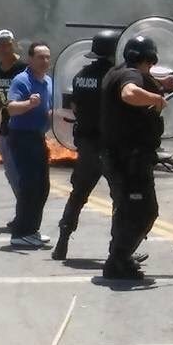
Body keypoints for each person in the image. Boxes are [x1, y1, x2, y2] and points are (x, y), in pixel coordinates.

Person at [100, 35, 168, 279]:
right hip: (130, 160)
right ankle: (118, 259)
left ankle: (119, 256)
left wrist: (161, 83)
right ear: (148, 58)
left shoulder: (116, 72)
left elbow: (131, 83)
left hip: (118, 156)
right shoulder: (132, 77)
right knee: (144, 211)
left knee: (126, 209)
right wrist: (156, 99)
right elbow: (129, 93)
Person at [53, 30, 119, 261]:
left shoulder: (81, 75)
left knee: (78, 194)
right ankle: (118, 250)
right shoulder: (114, 76)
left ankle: (62, 240)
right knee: (120, 198)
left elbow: (76, 107)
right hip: (109, 144)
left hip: (86, 143)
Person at [5, 42, 53, 249]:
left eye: (47, 57)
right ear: (30, 59)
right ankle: (20, 232)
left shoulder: (49, 81)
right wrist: (29, 104)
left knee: (43, 187)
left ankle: (32, 230)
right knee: (29, 185)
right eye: (40, 57)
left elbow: (50, 109)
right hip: (21, 137)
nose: (45, 61)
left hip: (38, 137)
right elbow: (12, 108)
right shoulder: (22, 80)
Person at [0, 30, 26, 228]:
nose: (4, 48)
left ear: (14, 45)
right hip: (6, 126)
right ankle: (23, 211)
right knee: (11, 172)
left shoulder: (24, 68)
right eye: (0, 45)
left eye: (7, 44)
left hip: (24, 125)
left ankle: (25, 214)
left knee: (23, 171)